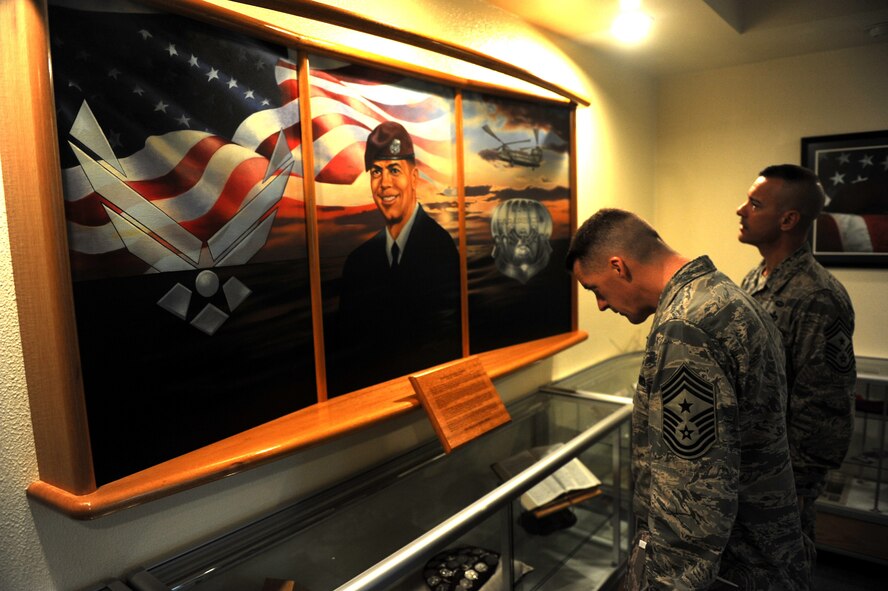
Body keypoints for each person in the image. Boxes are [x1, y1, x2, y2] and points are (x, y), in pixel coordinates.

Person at [566, 209, 811, 590]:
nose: (600, 304)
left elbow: (691, 501)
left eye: (594, 289)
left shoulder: (686, 328)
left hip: (732, 567)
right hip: (763, 547)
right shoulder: (724, 295)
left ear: (618, 266)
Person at [737, 164, 856, 539]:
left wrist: (799, 487)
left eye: (754, 204)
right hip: (749, 465)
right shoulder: (755, 279)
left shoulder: (818, 296)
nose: (741, 210)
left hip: (783, 481)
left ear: (788, 219)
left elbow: (825, 403)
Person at [331, 121, 461, 395]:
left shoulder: (440, 248)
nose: (384, 183)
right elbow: (347, 349)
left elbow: (445, 341)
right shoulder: (357, 262)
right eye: (376, 171)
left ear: (413, 178)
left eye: (394, 170)